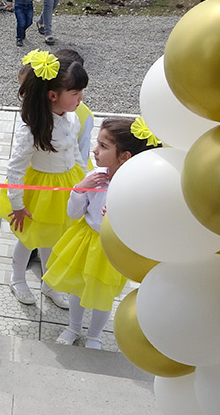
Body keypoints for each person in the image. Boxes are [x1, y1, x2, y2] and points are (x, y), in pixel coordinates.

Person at [44, 117, 161, 349]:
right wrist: (81, 188)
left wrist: (120, 216)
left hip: (111, 247)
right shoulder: (96, 176)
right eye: (97, 143)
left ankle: (95, 334)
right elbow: (74, 213)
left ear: (124, 156)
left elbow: (142, 224)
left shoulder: (135, 186)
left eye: (103, 146)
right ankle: (73, 327)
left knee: (102, 296)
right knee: (77, 288)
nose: (94, 150)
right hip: (85, 241)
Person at [0, 49, 88, 309]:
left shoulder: (71, 119)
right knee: (29, 239)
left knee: (54, 238)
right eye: (76, 93)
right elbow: (15, 169)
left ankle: (49, 283)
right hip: (40, 191)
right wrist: (17, 204)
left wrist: (86, 181)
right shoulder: (32, 129)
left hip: (65, 187)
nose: (81, 98)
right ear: (53, 95)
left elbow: (75, 151)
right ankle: (17, 278)